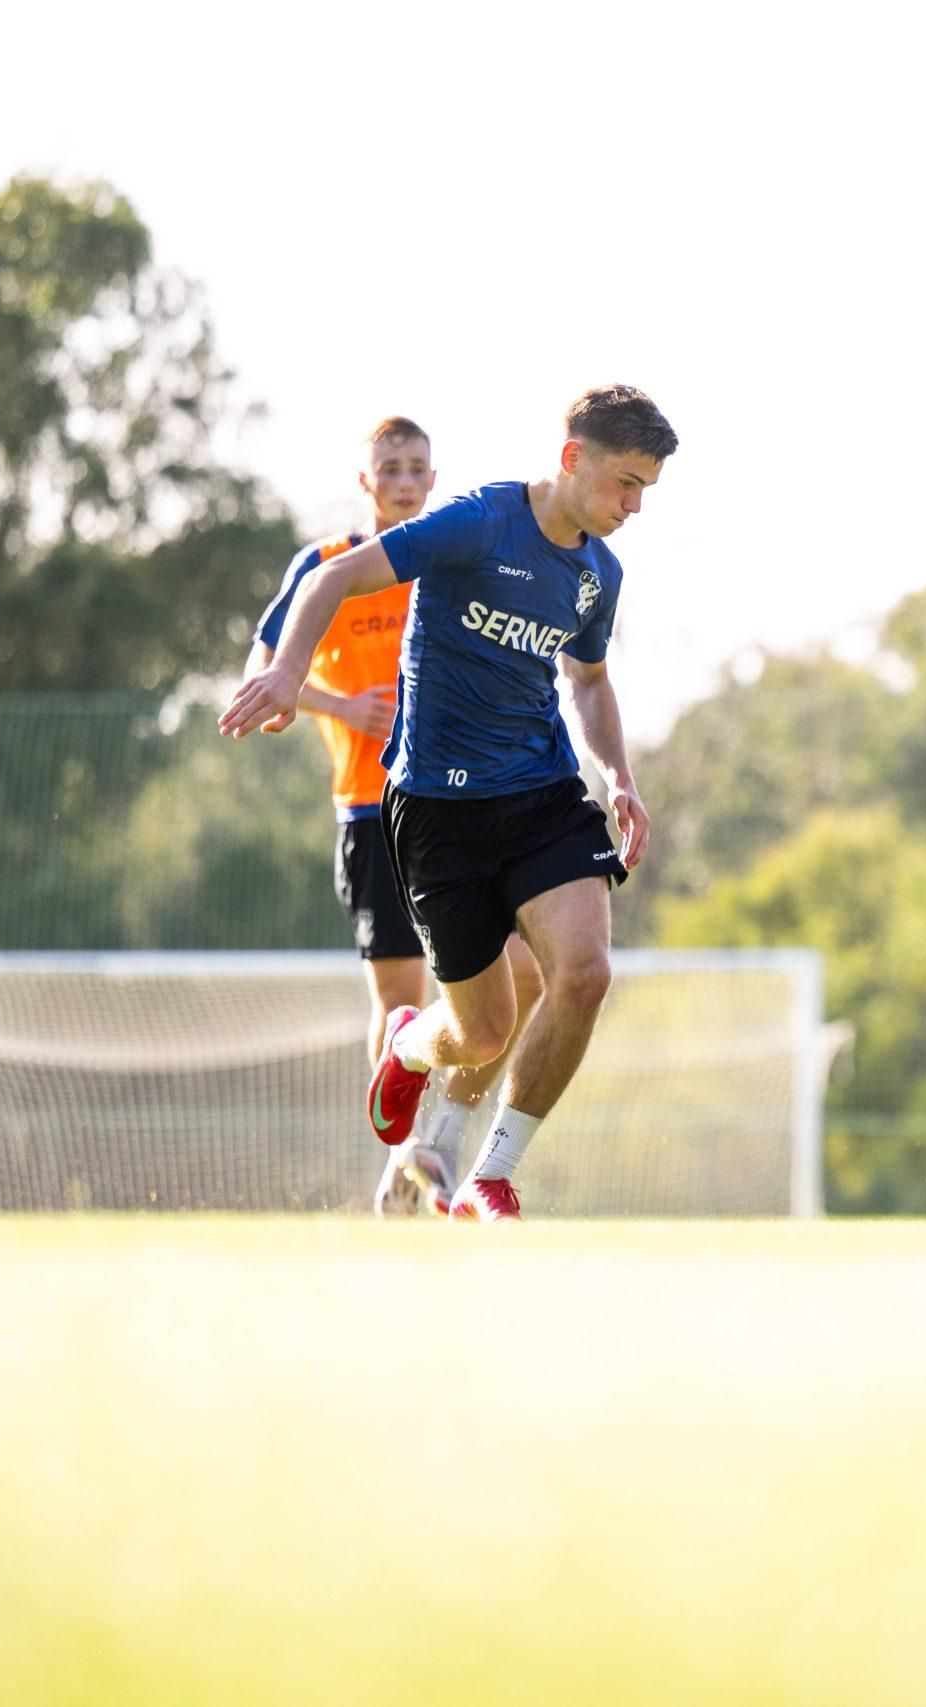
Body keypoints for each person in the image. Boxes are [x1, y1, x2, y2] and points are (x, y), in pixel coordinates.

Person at [221, 385, 676, 1220]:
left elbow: (589, 681)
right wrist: (288, 673)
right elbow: (334, 581)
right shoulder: (477, 523)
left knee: (582, 972)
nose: (634, 506)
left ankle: (492, 1174)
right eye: (624, 483)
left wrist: (620, 778)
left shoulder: (597, 574)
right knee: (482, 1030)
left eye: (646, 488)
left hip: (541, 793)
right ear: (573, 459)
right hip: (435, 811)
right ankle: (407, 1043)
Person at [242, 416, 537, 1216]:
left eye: (418, 469)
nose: (405, 481)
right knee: (398, 998)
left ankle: (434, 1146)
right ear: (365, 481)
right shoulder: (329, 567)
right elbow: (262, 669)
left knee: (531, 976)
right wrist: (343, 706)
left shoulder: (450, 562)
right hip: (372, 812)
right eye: (391, 469)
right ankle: (398, 1167)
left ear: (433, 481)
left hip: (468, 802)